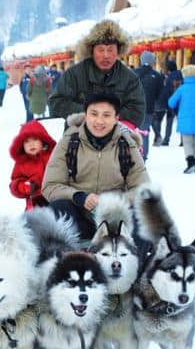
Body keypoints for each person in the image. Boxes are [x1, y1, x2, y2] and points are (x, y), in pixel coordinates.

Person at [42, 92, 148, 240]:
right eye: (94, 114)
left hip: (116, 217)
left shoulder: (127, 144)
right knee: (57, 210)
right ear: (85, 115)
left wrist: (112, 201)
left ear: (116, 118)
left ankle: (136, 261)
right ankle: (66, 260)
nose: (99, 121)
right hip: (79, 215)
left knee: (143, 217)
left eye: (106, 115)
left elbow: (142, 189)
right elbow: (51, 185)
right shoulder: (69, 142)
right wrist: (79, 197)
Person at [48, 20, 145, 129]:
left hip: (115, 140)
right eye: (101, 50)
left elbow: (137, 111)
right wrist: (88, 113)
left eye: (110, 50)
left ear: (118, 52)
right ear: (91, 51)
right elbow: (56, 103)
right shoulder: (74, 74)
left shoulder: (129, 78)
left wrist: (110, 116)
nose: (106, 55)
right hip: (78, 138)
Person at [9, 120, 57, 210]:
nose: (31, 144)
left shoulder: (53, 156)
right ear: (21, 145)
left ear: (43, 140)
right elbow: (14, 182)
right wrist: (22, 187)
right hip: (34, 205)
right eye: (27, 141)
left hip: (54, 199)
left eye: (35, 139)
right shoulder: (21, 162)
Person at [135, 50, 163, 161]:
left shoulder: (133, 73)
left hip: (133, 108)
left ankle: (132, 155)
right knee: (144, 132)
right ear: (152, 62)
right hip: (148, 109)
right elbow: (160, 93)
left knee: (132, 132)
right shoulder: (157, 76)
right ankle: (143, 156)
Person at [153, 60, 183, 146]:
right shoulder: (181, 75)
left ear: (169, 69)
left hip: (171, 102)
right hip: (181, 103)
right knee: (181, 122)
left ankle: (166, 140)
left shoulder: (169, 78)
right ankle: (183, 140)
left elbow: (167, 91)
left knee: (169, 122)